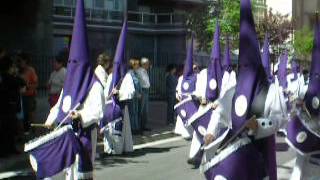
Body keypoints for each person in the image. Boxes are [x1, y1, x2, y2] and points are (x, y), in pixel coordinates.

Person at [201, 0, 288, 179]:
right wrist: (211, 131)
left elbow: (280, 119)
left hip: (260, 150)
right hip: (235, 153)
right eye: (243, 66)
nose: (245, 71)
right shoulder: (233, 90)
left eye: (250, 67)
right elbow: (219, 112)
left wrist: (260, 125)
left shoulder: (271, 90)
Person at [43, 0, 104, 179]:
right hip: (67, 133)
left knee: (82, 171)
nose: (73, 66)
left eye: (76, 63)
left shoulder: (94, 85)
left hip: (84, 132)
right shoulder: (69, 84)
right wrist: (50, 119)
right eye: (71, 63)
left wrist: (82, 116)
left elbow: (98, 110)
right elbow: (60, 105)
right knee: (69, 169)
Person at [287, 14, 320, 180]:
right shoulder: (306, 88)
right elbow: (300, 107)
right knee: (300, 165)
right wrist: (298, 106)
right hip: (307, 137)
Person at [101, 21, 134, 155]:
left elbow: (130, 92)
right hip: (109, 107)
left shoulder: (126, 77)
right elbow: (104, 91)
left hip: (120, 106)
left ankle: (119, 149)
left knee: (120, 130)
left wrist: (119, 92)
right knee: (108, 129)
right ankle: (108, 149)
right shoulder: (111, 76)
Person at [0, 56, 25, 157]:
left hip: (4, 106)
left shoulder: (3, 77)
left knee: (6, 129)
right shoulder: (8, 77)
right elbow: (21, 82)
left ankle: (8, 149)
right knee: (8, 129)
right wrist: (15, 74)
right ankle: (8, 149)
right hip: (8, 106)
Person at [17, 52, 38, 133]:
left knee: (29, 113)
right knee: (22, 114)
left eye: (21, 61)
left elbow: (35, 83)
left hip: (29, 95)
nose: (19, 63)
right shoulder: (17, 71)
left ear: (25, 61)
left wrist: (27, 86)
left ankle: (32, 129)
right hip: (20, 96)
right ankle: (25, 130)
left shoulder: (30, 70)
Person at [136, 57, 151, 131]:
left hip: (146, 91)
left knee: (145, 110)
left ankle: (143, 125)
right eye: (148, 63)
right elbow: (140, 83)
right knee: (141, 109)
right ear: (144, 64)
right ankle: (139, 126)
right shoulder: (139, 71)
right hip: (142, 91)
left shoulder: (145, 71)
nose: (149, 65)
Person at [128, 59, 142, 134]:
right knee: (132, 112)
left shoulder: (135, 73)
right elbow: (132, 85)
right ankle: (133, 128)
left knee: (135, 112)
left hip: (136, 96)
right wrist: (137, 94)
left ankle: (136, 127)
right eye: (137, 64)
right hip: (133, 95)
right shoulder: (130, 74)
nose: (138, 66)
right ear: (133, 65)